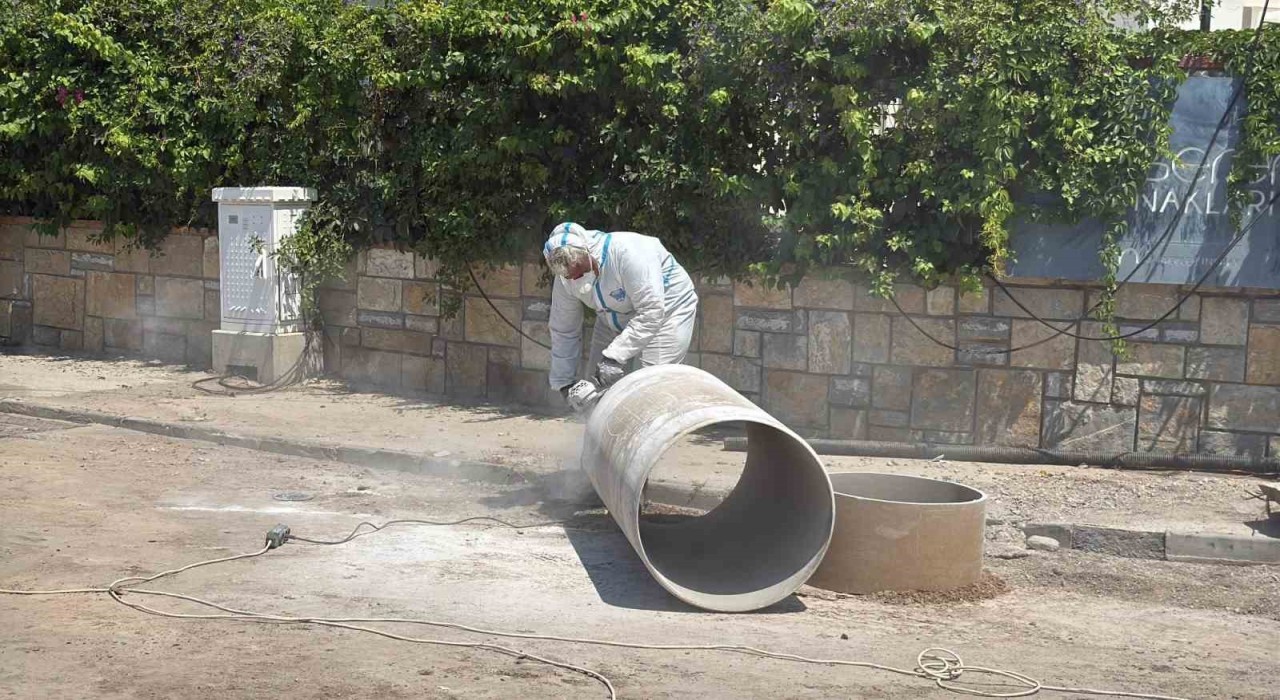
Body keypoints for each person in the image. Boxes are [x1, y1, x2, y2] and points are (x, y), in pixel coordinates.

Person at [542, 222, 699, 411]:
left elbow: (651, 311)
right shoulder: (566, 279)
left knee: (651, 386)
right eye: (569, 275)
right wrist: (564, 383)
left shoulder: (629, 253)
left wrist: (615, 356)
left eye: (579, 269)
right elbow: (563, 328)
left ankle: (647, 436)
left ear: (586, 251)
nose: (575, 278)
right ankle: (603, 438)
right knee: (594, 392)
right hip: (612, 314)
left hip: (667, 308)